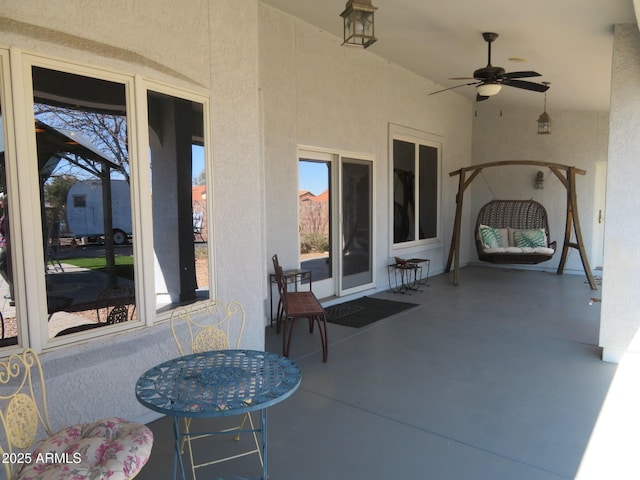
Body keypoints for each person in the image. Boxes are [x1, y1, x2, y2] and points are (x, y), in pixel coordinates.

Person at [0, 192, 14, 306]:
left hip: (9, 245)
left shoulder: (10, 215)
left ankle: (14, 288)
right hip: (5, 243)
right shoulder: (5, 214)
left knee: (2, 263)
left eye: (1, 200)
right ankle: (13, 288)